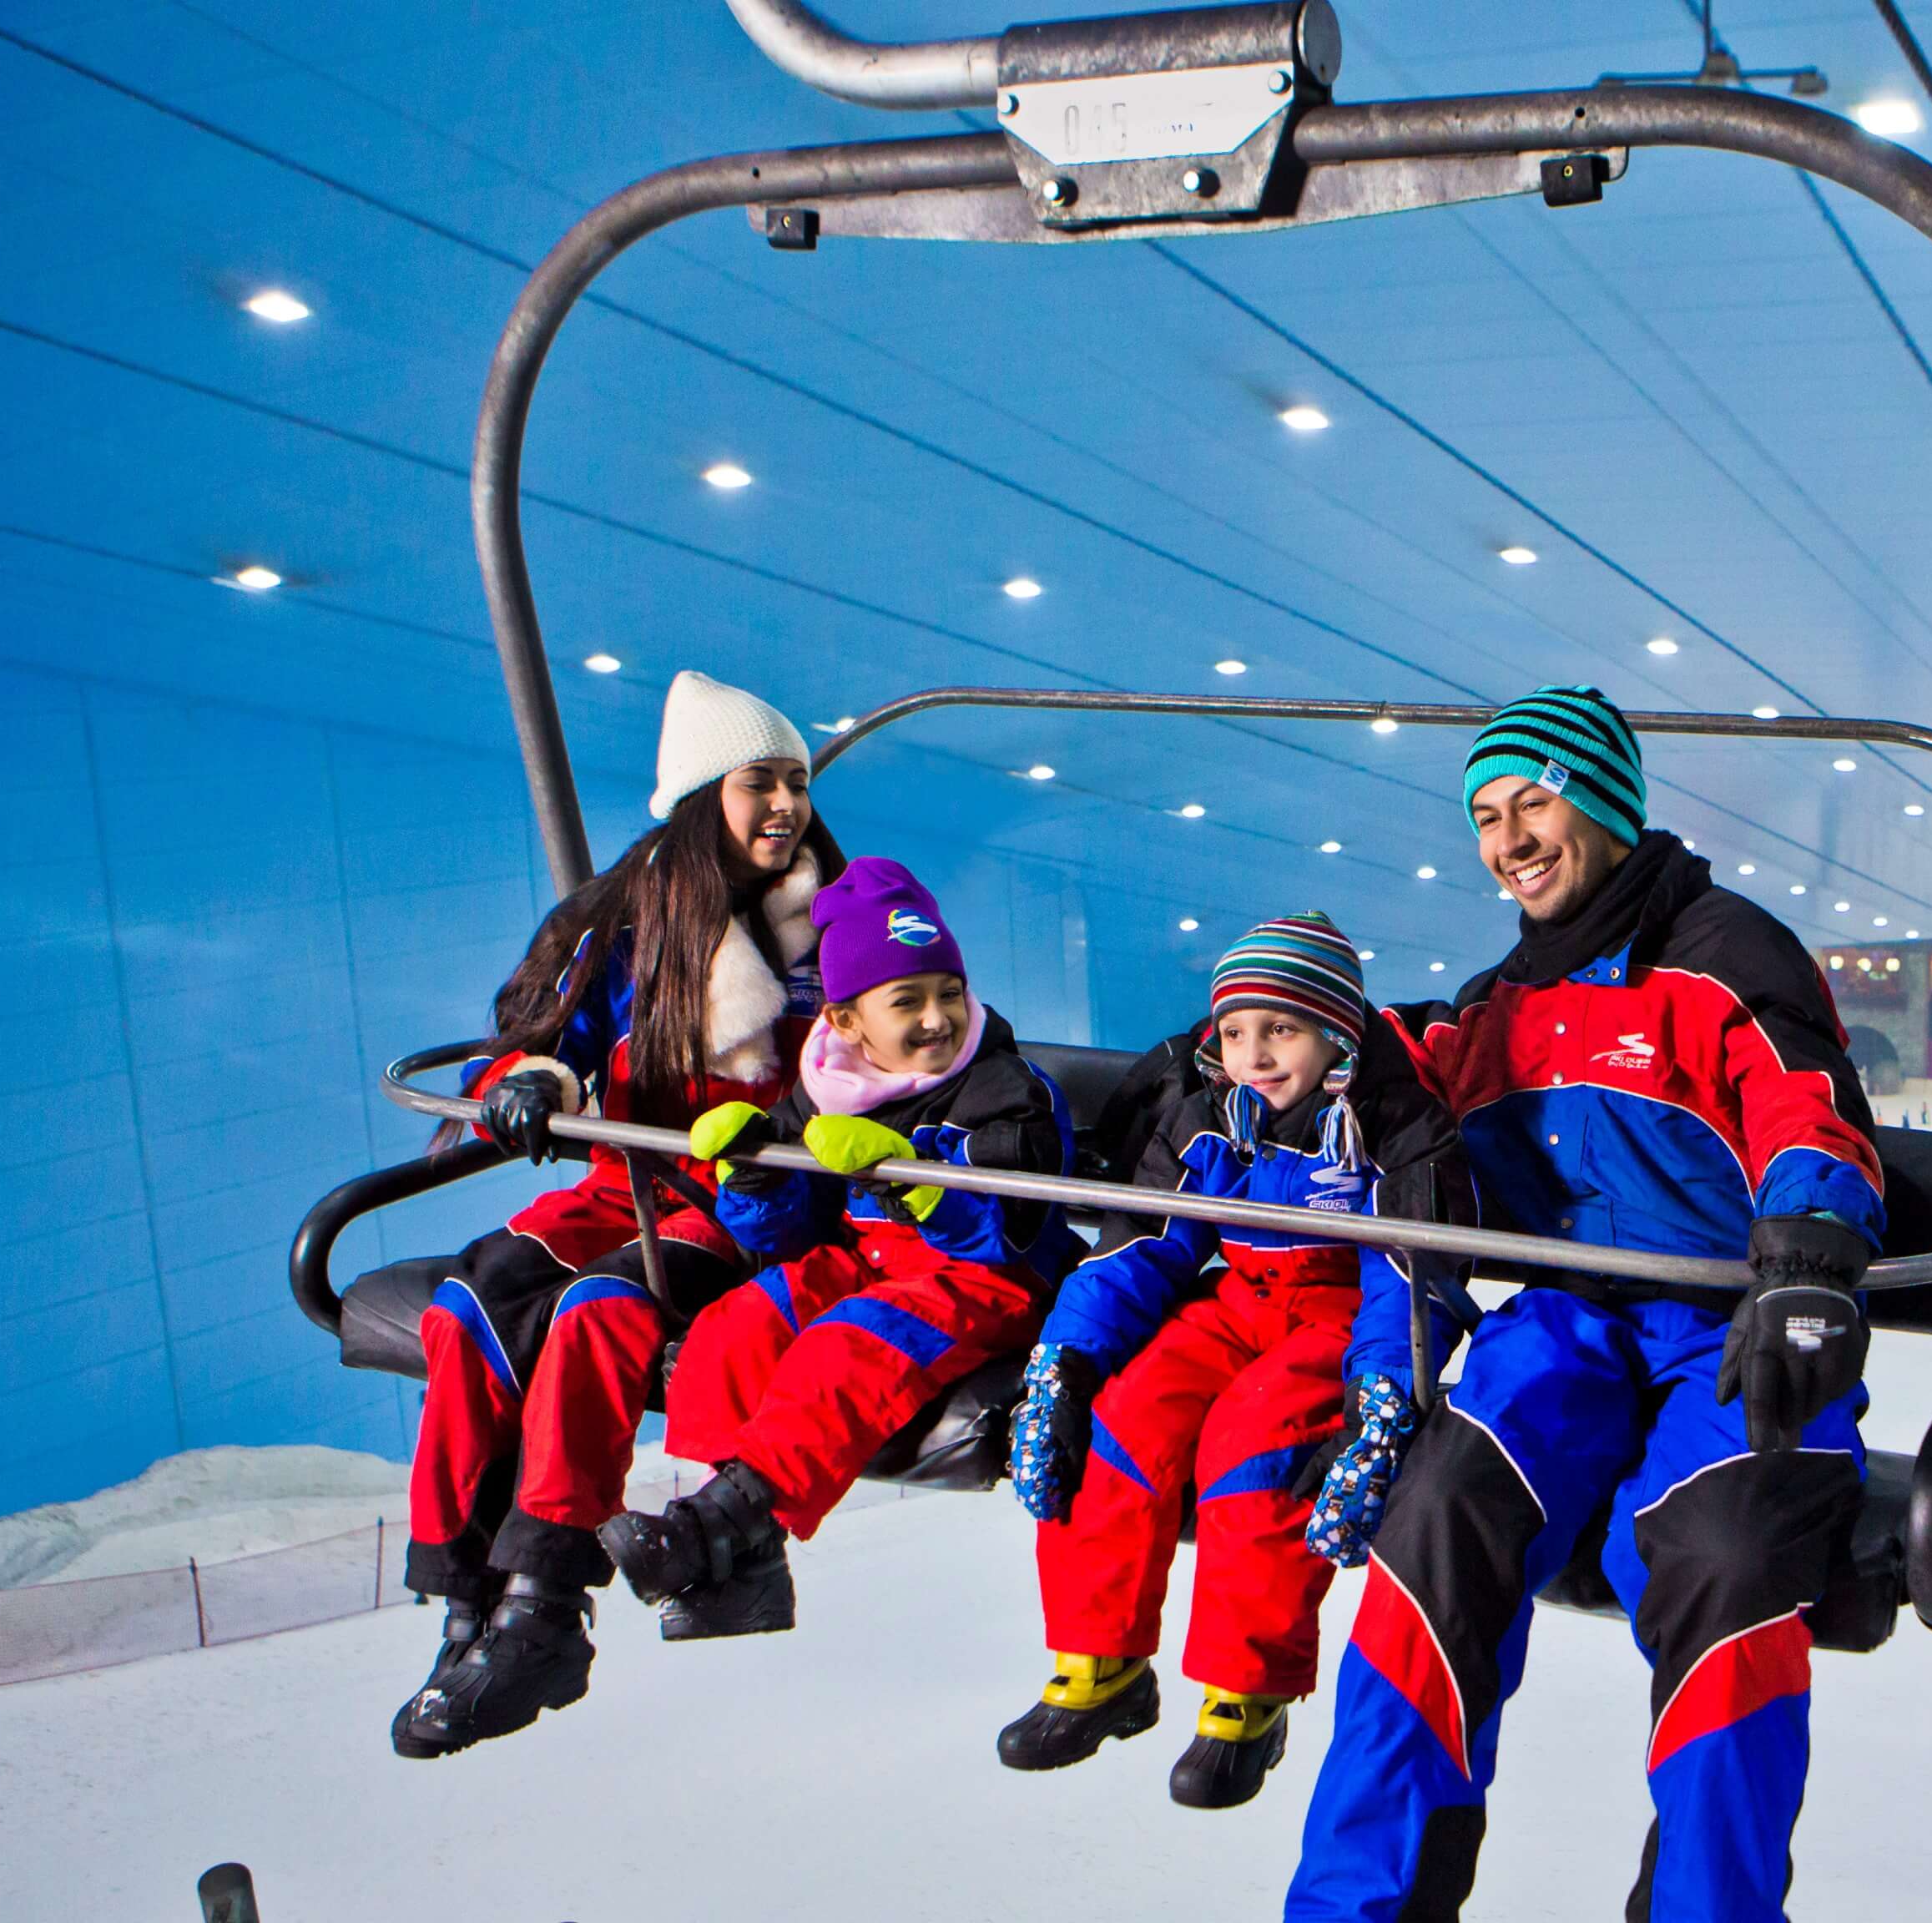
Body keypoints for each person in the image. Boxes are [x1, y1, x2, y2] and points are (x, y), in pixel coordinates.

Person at [1288, 687, 1886, 1923]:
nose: (1509, 841)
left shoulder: (1722, 952)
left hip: (1731, 1322)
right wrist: (1287, 1036)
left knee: (1727, 1560)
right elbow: (1407, 1132)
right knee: (1437, 1514)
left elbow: (1802, 1105)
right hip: (1567, 1324)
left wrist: (1812, 1257)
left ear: (1603, 801)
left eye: (1534, 802)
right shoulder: (1497, 1005)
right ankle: (1364, 1905)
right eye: (1486, 818)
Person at [393, 671, 835, 1759]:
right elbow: (550, 1030)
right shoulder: (628, 921)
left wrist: (788, 1139)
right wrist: (535, 1080)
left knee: (597, 1313)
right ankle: (466, 1601)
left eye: (795, 784)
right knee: (470, 1303)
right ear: (698, 799)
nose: (785, 807)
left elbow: (865, 1058)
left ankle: (545, 1600)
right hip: (623, 1179)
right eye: (757, 784)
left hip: (740, 1197)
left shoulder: (825, 918)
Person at [999, 914, 1473, 1811]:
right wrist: (1064, 1362)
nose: (1254, 1054)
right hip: (1238, 1297)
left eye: (1282, 1030)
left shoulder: (1389, 1122)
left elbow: (1410, 1272)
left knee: (1254, 1450)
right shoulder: (1209, 1110)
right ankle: (1098, 1662)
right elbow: (1143, 1243)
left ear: (1338, 1029)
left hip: (1339, 1313)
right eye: (1236, 1031)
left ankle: (1244, 1696)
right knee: (1124, 1420)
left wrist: (1381, 1396)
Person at [593, 856, 1079, 1641]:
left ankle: (723, 1522)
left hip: (989, 1281)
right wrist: (752, 1179)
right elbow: (782, 1235)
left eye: (949, 993)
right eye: (907, 1001)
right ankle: (747, 1568)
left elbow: (1015, 1220)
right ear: (849, 1021)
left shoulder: (1003, 1085)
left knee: (842, 1349)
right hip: (872, 1262)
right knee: (735, 1328)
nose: (937, 1019)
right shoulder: (825, 1082)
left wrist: (914, 1185)